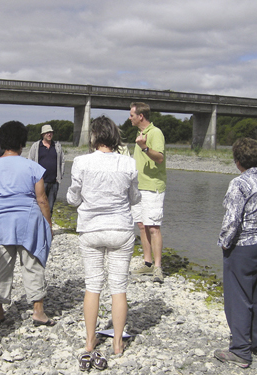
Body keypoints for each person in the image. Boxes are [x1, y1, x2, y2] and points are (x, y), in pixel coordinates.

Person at [67, 116, 140, 369]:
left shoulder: (81, 162)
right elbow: (134, 197)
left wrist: (80, 196)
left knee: (93, 285)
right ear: (114, 136)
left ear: (94, 136)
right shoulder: (128, 163)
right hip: (121, 228)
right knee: (119, 286)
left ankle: (90, 341)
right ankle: (118, 342)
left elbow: (74, 197)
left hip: (91, 229)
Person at [0, 120, 55, 327]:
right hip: (29, 220)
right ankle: (38, 310)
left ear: (1, 143)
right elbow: (42, 199)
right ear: (22, 143)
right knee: (33, 263)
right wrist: (48, 224)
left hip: (1, 222)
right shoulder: (33, 167)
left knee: (1, 266)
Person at [214, 138, 257, 369]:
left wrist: (224, 243)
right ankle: (255, 341)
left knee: (238, 298)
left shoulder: (240, 183)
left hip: (244, 245)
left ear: (238, 161)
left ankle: (240, 350)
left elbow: (232, 220)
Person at [128, 102, 166, 283]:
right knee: (142, 226)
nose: (130, 118)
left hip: (153, 186)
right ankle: (148, 263)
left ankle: (158, 268)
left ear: (140, 116)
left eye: (131, 115)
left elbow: (159, 158)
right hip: (138, 186)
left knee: (153, 227)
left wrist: (144, 147)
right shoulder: (140, 134)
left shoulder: (155, 132)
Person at [28, 124, 65, 215]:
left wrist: (59, 176)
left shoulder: (57, 146)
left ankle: (48, 226)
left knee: (50, 206)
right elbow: (30, 162)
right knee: (39, 205)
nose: (49, 134)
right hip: (40, 181)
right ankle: (39, 226)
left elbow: (62, 162)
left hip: (54, 181)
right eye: (47, 132)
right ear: (43, 134)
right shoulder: (36, 146)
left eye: (51, 132)